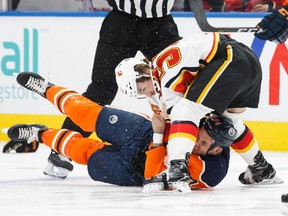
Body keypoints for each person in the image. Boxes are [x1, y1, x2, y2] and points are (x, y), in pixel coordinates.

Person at [3, 0, 182, 179]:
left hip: (160, 25)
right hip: (121, 22)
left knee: (177, 84)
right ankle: (61, 149)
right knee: (101, 90)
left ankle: (188, 143)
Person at [8, 71, 237, 192]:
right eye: (198, 136)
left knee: (83, 151)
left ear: (217, 151)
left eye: (203, 146)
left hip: (136, 170)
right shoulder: (215, 127)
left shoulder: (208, 172)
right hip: (142, 133)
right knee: (89, 114)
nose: (194, 143)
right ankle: (48, 89)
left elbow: (152, 176)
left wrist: (159, 134)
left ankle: (40, 134)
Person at [114, 32, 283, 186]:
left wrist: (170, 145)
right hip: (249, 65)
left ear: (143, 72)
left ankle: (177, 169)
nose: (148, 93)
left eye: (142, 89)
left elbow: (184, 113)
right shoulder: (160, 78)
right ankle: (262, 168)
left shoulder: (162, 69)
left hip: (231, 59)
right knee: (231, 123)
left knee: (185, 110)